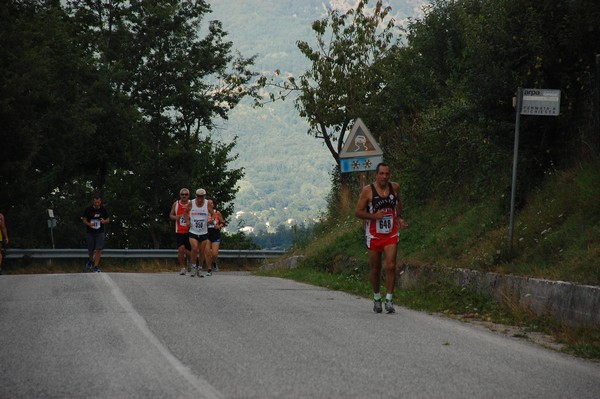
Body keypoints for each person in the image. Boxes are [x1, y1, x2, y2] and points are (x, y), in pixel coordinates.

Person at [354, 163, 408, 314]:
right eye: (382, 173)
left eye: (387, 174)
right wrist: (373, 216)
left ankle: (389, 300)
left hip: (391, 232)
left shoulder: (395, 187)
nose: (384, 176)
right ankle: (377, 297)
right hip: (374, 234)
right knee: (375, 268)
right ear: (376, 175)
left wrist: (400, 218)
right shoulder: (368, 191)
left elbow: (398, 204)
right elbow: (358, 212)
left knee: (390, 265)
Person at [184, 188, 214, 277]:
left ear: (204, 196)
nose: (200, 198)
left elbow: (212, 213)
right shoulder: (191, 203)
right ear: (196, 196)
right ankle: (193, 267)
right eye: (198, 196)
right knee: (194, 248)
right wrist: (187, 221)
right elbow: (185, 213)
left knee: (201, 251)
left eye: (202, 196)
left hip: (204, 231)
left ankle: (200, 268)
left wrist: (211, 219)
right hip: (193, 230)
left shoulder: (207, 203)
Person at [82, 195, 110, 273]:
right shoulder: (88, 210)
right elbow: (84, 220)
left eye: (98, 202)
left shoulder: (103, 210)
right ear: (93, 202)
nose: (97, 203)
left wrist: (104, 221)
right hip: (90, 232)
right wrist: (89, 224)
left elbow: (108, 219)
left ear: (100, 202)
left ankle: (96, 266)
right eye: (96, 202)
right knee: (90, 249)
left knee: (98, 249)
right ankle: (91, 261)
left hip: (100, 232)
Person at [170, 188, 192, 275]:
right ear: (180, 195)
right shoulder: (176, 204)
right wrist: (176, 217)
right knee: (181, 249)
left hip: (190, 231)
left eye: (186, 194)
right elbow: (171, 215)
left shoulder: (192, 204)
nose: (184, 196)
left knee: (188, 251)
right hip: (179, 230)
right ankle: (183, 268)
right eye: (182, 194)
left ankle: (190, 261)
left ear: (188, 195)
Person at [207, 198, 225, 272]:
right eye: (208, 203)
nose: (210, 205)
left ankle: (214, 262)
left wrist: (219, 226)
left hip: (215, 233)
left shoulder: (217, 212)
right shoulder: (204, 213)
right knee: (207, 252)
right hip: (206, 232)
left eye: (211, 203)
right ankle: (209, 267)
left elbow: (223, 222)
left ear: (214, 204)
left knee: (214, 254)